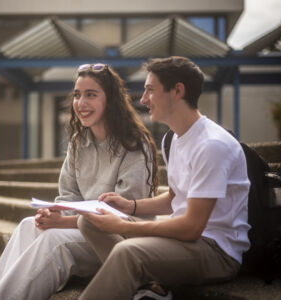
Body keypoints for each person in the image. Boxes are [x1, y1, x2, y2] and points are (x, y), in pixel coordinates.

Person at [77, 56, 251, 300]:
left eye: (150, 90)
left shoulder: (212, 145)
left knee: (128, 252)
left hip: (216, 251)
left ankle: (145, 285)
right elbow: (175, 197)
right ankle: (149, 287)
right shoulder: (173, 139)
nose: (143, 100)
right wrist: (131, 206)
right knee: (89, 222)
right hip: (184, 241)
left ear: (177, 91)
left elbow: (192, 227)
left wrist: (126, 226)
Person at [0, 63, 159, 300]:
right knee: (29, 225)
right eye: (77, 95)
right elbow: (67, 197)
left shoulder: (134, 144)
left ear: (111, 100)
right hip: (84, 229)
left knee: (53, 241)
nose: (81, 103)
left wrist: (62, 224)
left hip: (120, 240)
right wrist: (52, 216)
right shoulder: (79, 142)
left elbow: (121, 215)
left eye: (91, 95)